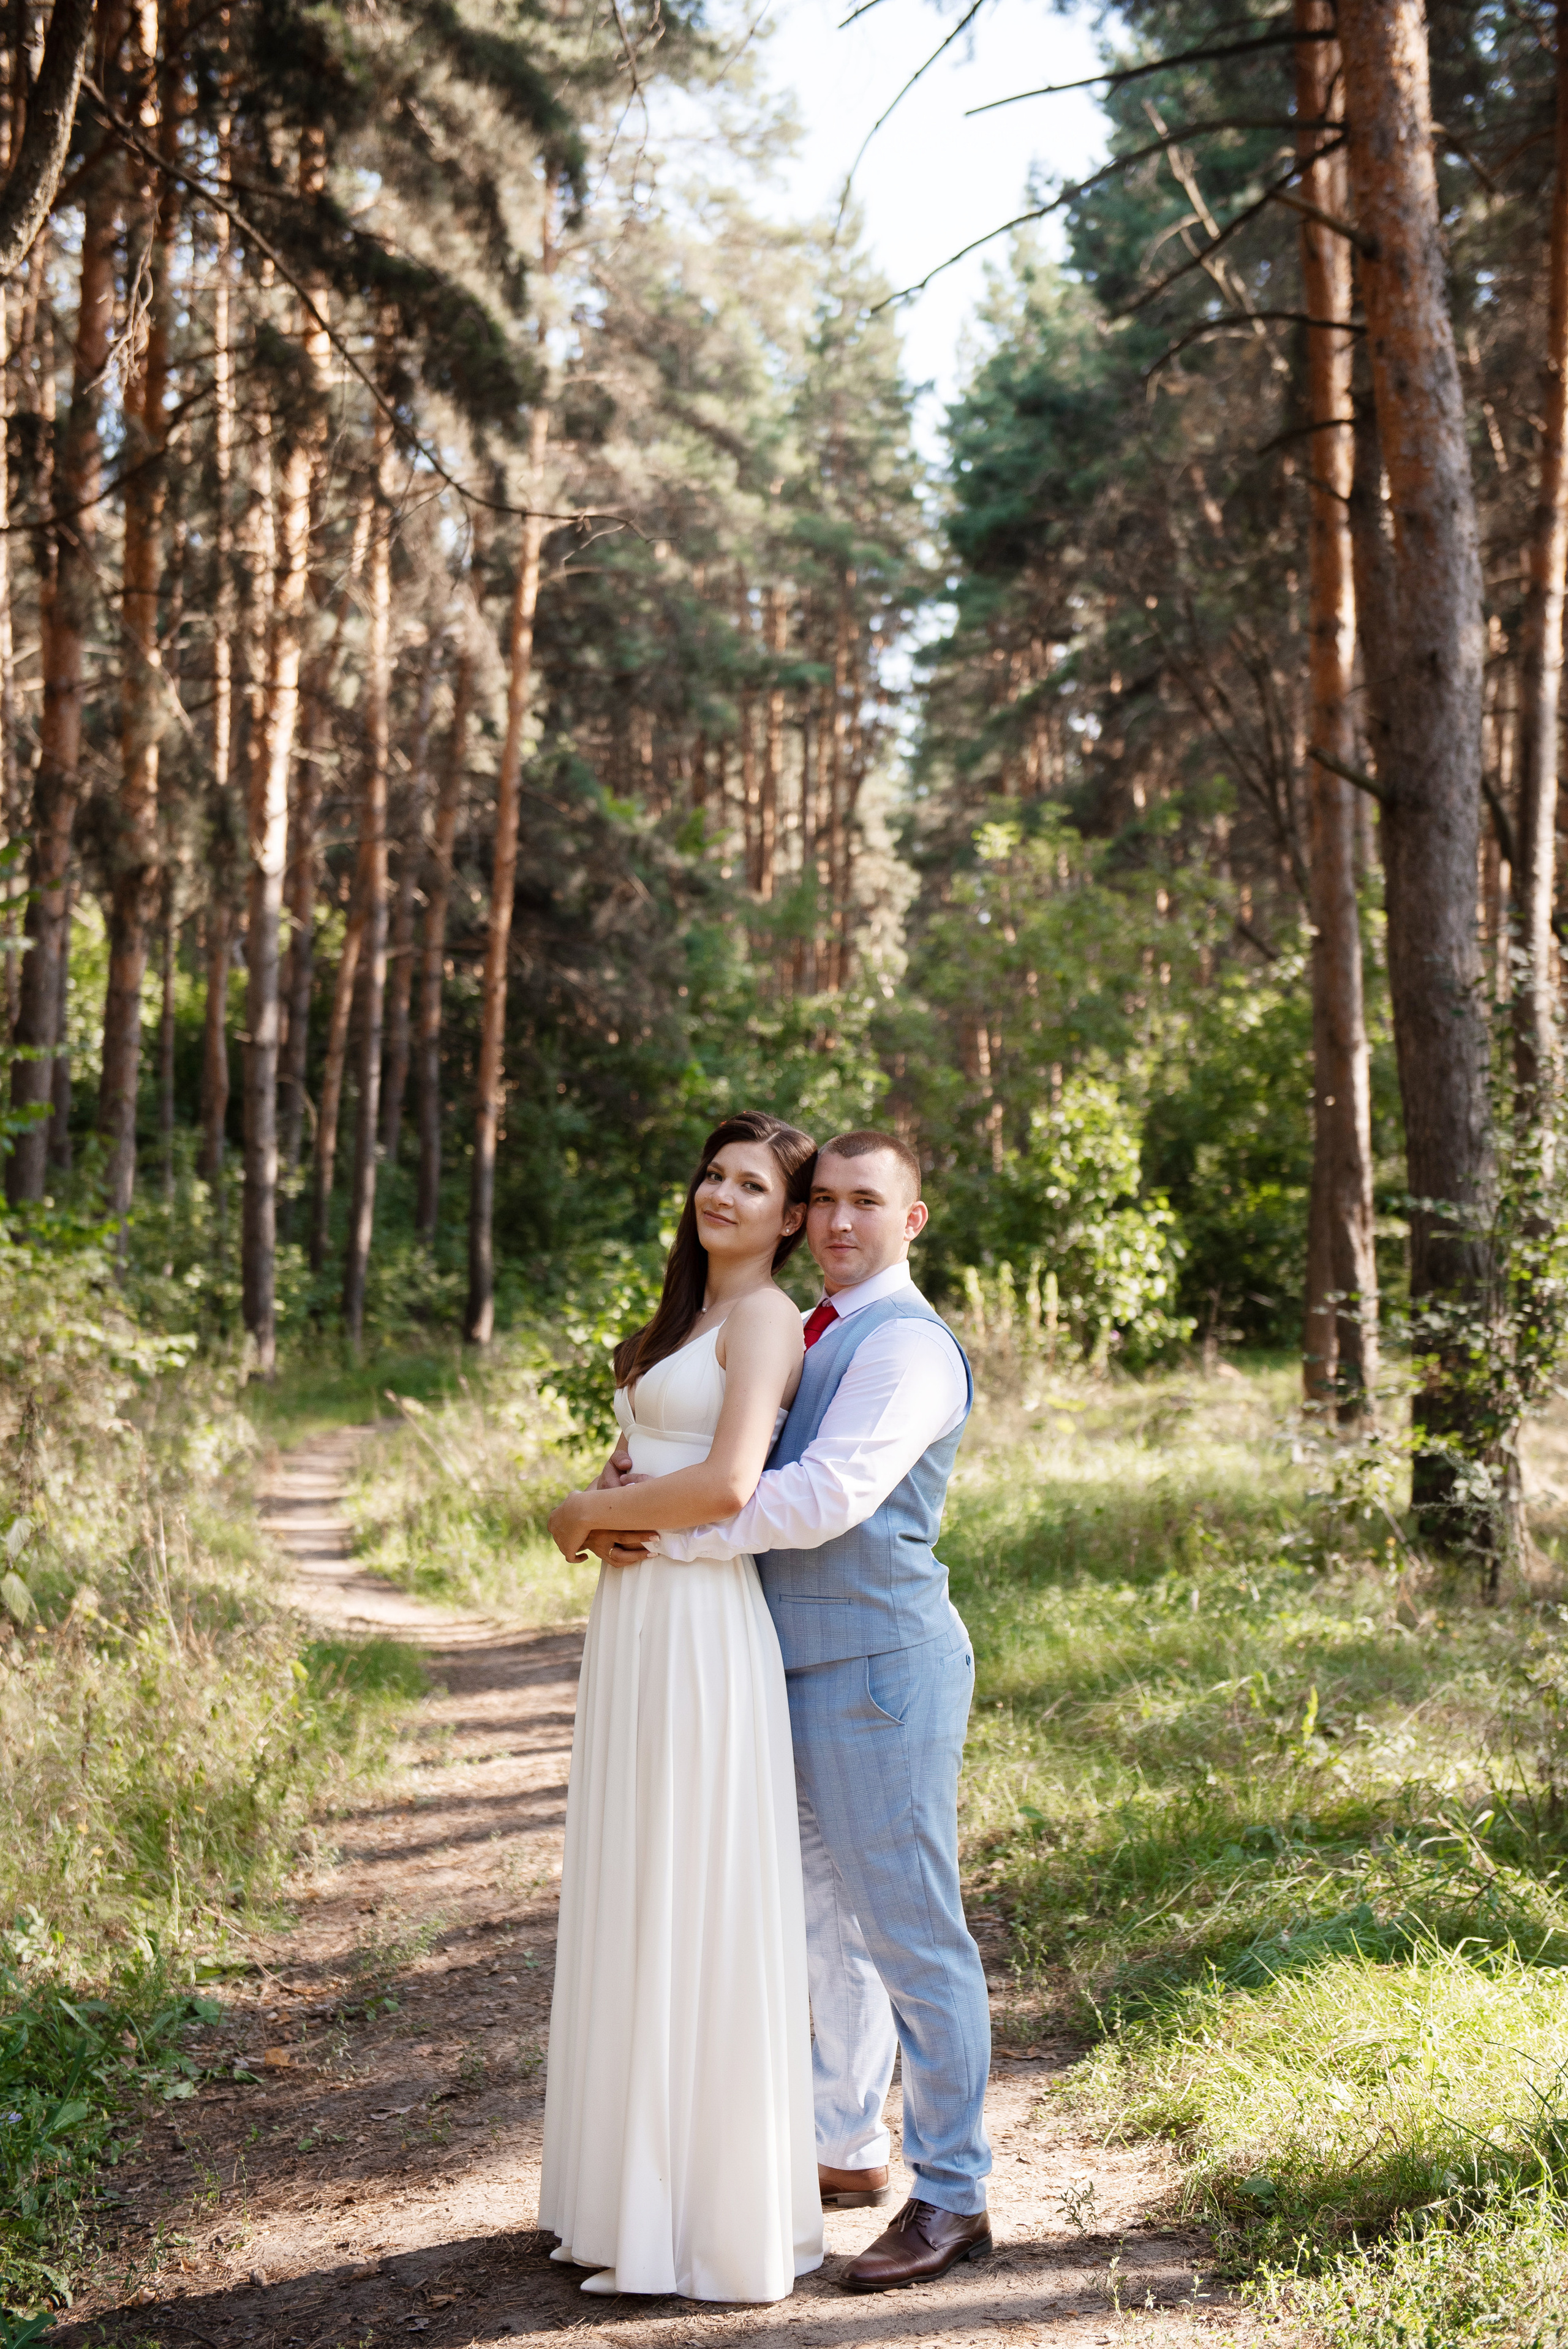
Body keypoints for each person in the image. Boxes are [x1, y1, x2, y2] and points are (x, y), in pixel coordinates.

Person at [586, 1129, 993, 2295]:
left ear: (912, 1220)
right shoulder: (810, 1329)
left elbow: (822, 1496)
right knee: (824, 1931)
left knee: (913, 1935)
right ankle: (848, 2142)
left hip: (876, 1669)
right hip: (779, 1666)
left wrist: (664, 1532)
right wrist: (641, 1478)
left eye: (868, 1202)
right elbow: (734, 1440)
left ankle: (955, 2193)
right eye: (824, 1200)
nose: (839, 1221)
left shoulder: (906, 1347)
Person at [538, 1111, 824, 2306]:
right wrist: (618, 1498)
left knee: (689, 1889)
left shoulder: (760, 1319)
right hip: (639, 1631)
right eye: (713, 1175)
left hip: (704, 1634)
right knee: (633, 1882)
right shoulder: (689, 1319)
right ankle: (623, 2199)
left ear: (791, 1217)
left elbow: (727, 1482)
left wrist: (579, 1514)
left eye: (750, 1184)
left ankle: (701, 2217)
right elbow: (663, 1464)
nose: (721, 1195)